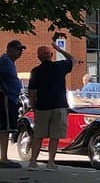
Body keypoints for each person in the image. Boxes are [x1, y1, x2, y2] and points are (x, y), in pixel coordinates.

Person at [27, 39, 75, 170]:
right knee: (55, 136)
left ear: (38, 57)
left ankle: (32, 162)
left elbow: (31, 92)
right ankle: (50, 163)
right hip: (59, 105)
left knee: (38, 135)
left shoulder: (35, 71)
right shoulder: (60, 66)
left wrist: (33, 106)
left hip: (42, 106)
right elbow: (73, 59)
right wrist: (59, 49)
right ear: (51, 55)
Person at [1, 39, 27, 167]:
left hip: (11, 99)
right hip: (5, 99)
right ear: (9, 49)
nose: (20, 52)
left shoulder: (9, 62)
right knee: (4, 129)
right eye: (17, 49)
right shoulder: (4, 61)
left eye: (21, 50)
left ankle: (4, 157)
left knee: (6, 128)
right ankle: (4, 159)